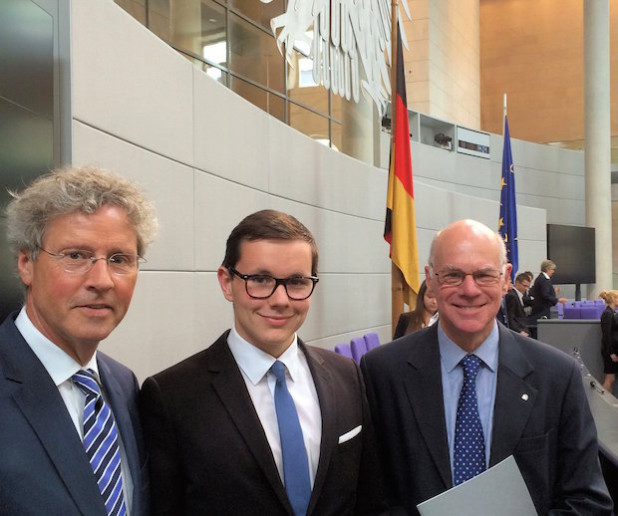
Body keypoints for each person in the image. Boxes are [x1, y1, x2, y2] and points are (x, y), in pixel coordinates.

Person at [140, 209, 386, 516]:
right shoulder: (172, 397)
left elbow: (371, 501)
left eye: (296, 281)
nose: (280, 299)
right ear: (227, 282)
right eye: (260, 279)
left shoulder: (346, 376)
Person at [361, 219, 612, 515]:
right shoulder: (382, 373)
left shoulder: (557, 375)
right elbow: (369, 501)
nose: (469, 290)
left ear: (506, 278)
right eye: (453, 275)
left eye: (484, 275)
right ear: (430, 278)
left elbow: (588, 502)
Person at [0, 166, 157, 515]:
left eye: (119, 259)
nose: (102, 280)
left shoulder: (124, 384)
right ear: (27, 263)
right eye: (75, 256)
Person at [599, 290, 618, 391]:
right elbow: (606, 335)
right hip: (610, 351)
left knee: (611, 378)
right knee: (610, 378)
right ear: (613, 299)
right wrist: (611, 352)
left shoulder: (612, 312)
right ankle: (604, 402)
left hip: (613, 350)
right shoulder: (607, 314)